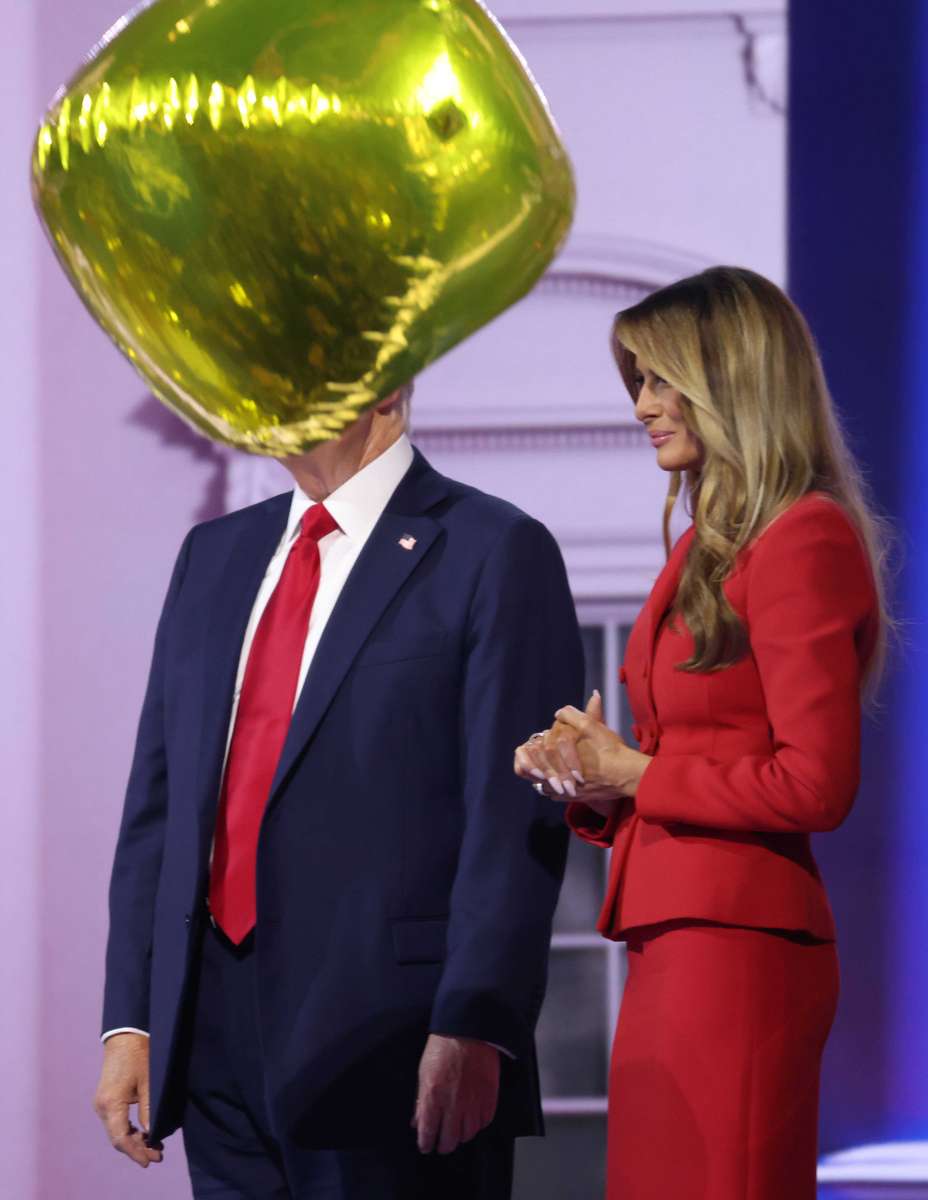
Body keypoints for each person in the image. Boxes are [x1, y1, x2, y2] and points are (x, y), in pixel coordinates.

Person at [93, 381, 584, 1200]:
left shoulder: (492, 547)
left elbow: (516, 818)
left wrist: (476, 1019)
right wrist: (133, 1019)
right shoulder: (213, 556)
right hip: (213, 1039)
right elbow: (160, 807)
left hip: (395, 1042)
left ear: (384, 386)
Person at [514, 267, 891, 1200]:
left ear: (732, 379)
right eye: (636, 380)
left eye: (659, 379)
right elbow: (689, 758)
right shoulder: (704, 549)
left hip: (741, 949)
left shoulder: (804, 537)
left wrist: (638, 771)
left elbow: (815, 784)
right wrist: (591, 777)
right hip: (677, 939)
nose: (642, 405)